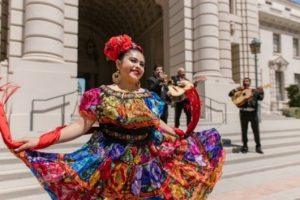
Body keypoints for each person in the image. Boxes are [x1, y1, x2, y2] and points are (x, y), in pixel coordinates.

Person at [0, 34, 224, 199]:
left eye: (142, 64)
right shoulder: (98, 95)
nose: (138, 66)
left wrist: (177, 134)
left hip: (147, 164)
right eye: (133, 61)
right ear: (118, 63)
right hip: (106, 163)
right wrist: (39, 141)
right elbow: (79, 126)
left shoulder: (151, 98)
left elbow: (156, 124)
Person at [228, 77, 264, 154]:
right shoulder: (240, 91)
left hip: (253, 113)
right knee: (244, 131)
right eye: (244, 81)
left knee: (256, 131)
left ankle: (258, 147)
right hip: (243, 113)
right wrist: (235, 89)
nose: (245, 82)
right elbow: (230, 94)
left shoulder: (254, 91)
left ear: (250, 83)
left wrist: (262, 92)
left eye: (247, 81)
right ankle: (245, 146)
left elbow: (260, 98)